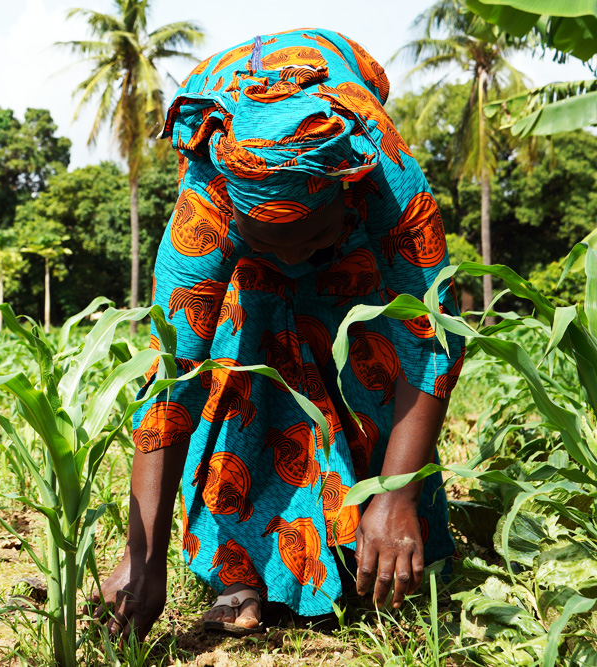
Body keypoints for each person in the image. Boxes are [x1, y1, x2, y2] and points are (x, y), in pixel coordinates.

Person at [96, 28, 465, 638]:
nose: (298, 263)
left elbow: (433, 341)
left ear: (344, 198)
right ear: (235, 219)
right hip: (252, 271)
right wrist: (142, 557)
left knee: (369, 358)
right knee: (240, 372)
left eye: (313, 241)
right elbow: (171, 390)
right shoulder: (205, 213)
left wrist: (397, 494)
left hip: (356, 262)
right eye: (276, 248)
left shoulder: (384, 179)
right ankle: (239, 568)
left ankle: (376, 539)